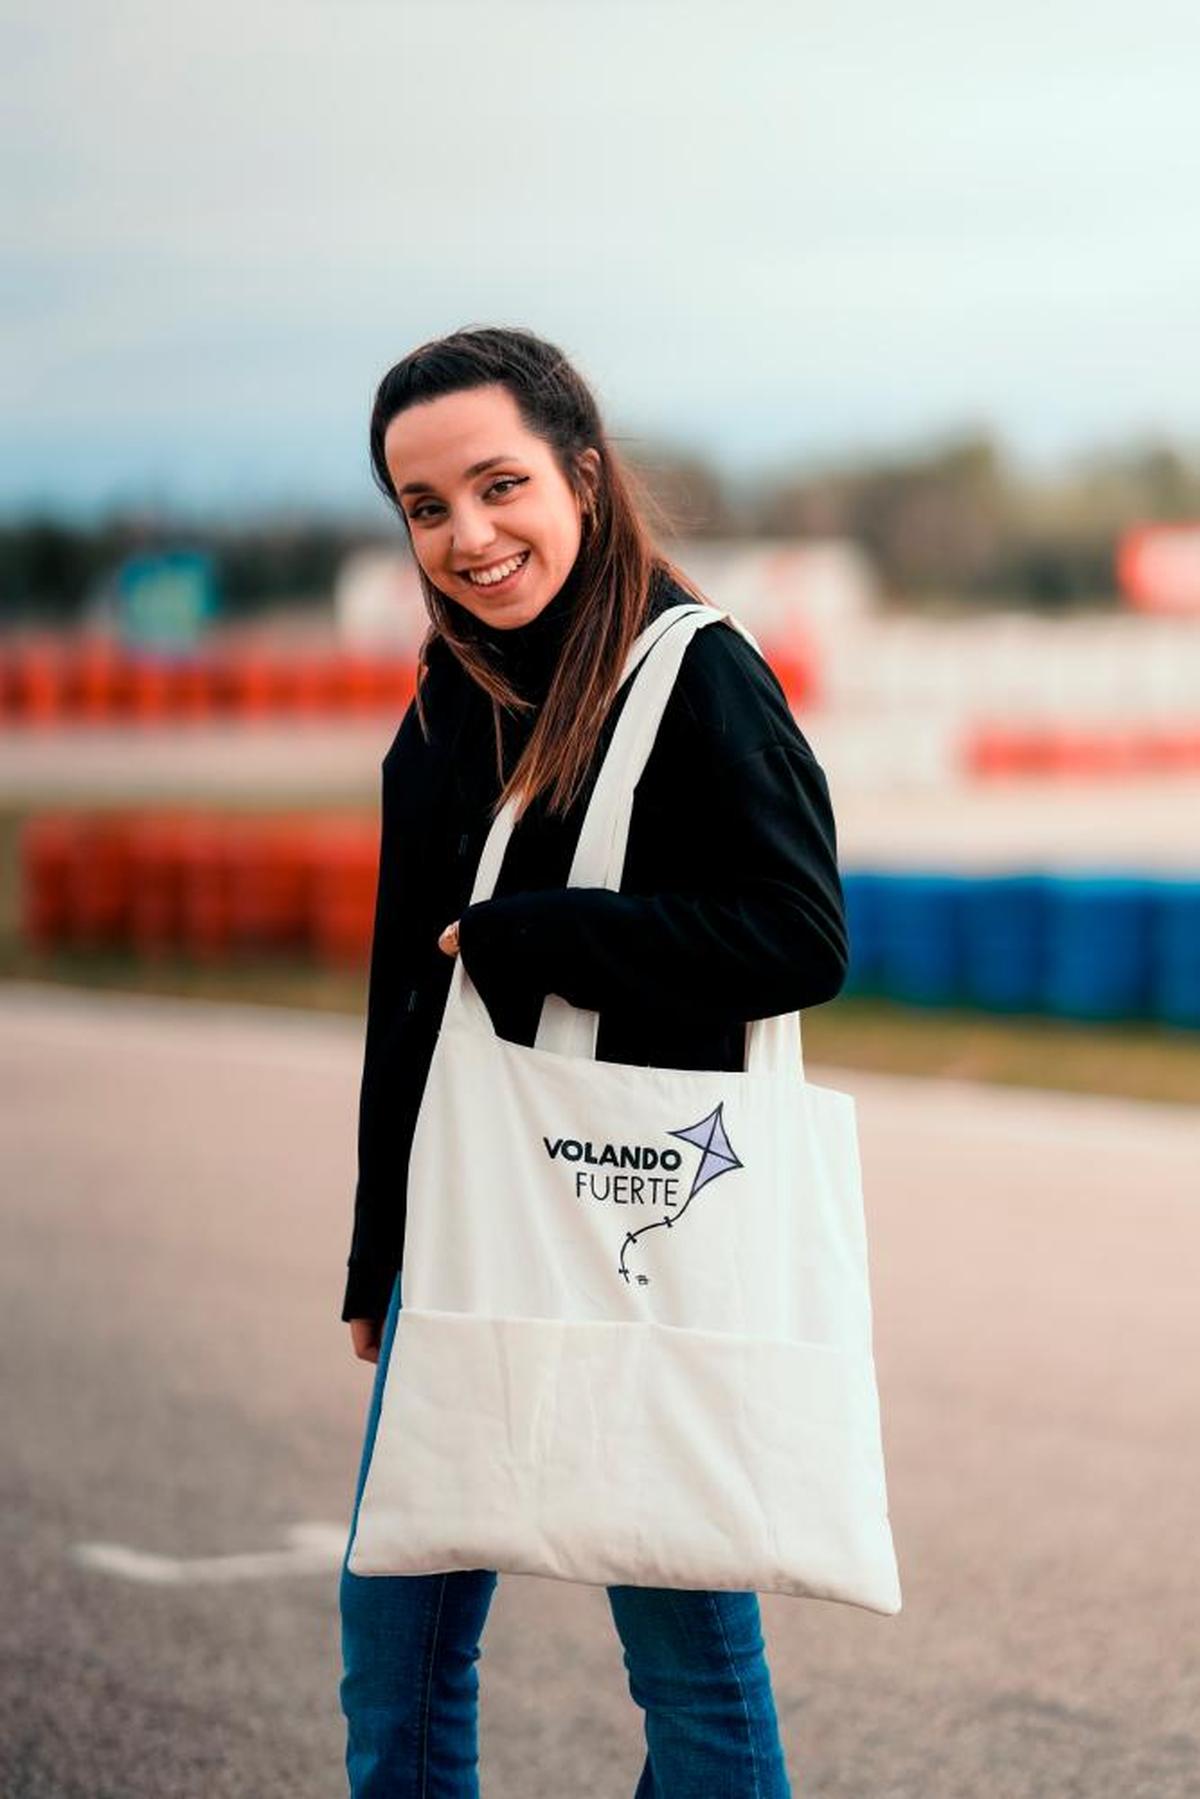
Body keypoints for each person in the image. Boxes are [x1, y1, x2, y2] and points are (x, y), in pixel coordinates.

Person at [338, 324, 850, 1798]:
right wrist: (380, 1249)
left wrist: (548, 934)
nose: (467, 536)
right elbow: (404, 1000)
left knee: (688, 1666)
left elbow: (800, 936)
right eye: (425, 508)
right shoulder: (452, 696)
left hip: (640, 1233)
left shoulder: (697, 676)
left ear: (580, 471)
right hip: (466, 1231)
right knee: (397, 1645)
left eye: (498, 486)